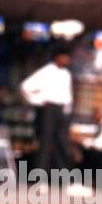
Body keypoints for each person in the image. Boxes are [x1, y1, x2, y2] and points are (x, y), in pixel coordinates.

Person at [20, 46, 74, 174]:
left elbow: (68, 95)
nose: (66, 59)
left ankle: (65, 176)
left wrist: (67, 111)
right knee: (45, 142)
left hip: (61, 111)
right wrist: (37, 100)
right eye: (64, 56)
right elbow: (25, 87)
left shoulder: (66, 74)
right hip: (48, 109)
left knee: (61, 143)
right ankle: (40, 176)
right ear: (57, 57)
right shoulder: (46, 72)